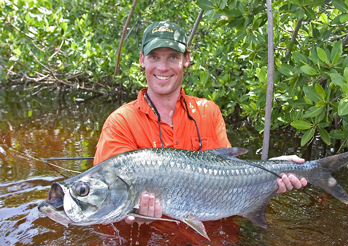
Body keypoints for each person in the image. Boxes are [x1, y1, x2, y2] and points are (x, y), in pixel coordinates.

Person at [93, 20, 307, 224]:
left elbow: (229, 180)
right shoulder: (120, 122)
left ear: (186, 59)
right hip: (151, 245)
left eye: (173, 57)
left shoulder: (208, 111)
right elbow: (105, 207)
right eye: (154, 57)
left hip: (210, 241)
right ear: (142, 60)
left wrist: (273, 172)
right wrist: (136, 215)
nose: (163, 67)